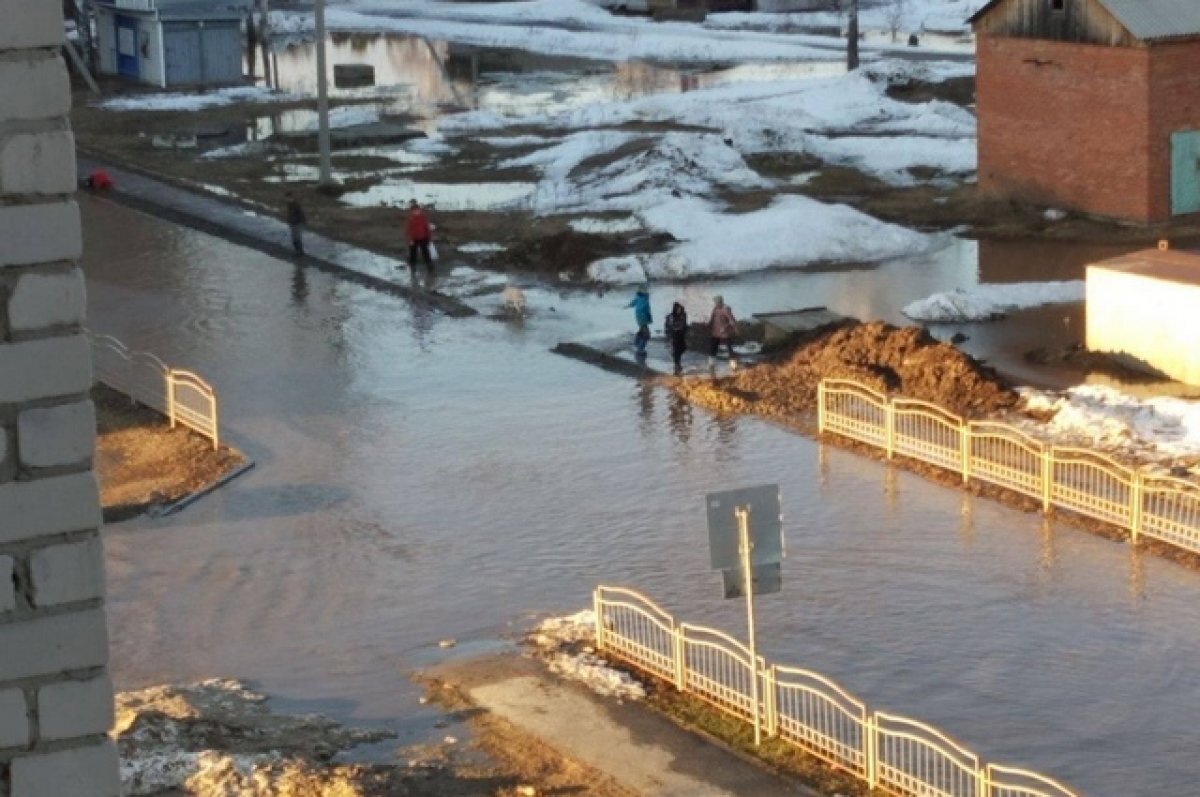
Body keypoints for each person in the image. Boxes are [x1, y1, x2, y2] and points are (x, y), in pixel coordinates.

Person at [405, 199, 435, 277]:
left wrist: (429, 237)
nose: (416, 212)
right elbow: (409, 230)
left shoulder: (423, 218)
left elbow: (427, 228)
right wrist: (410, 239)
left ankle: (429, 266)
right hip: (414, 239)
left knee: (426, 253)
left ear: (419, 210)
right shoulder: (411, 219)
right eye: (414, 211)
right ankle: (413, 266)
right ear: (412, 211)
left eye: (417, 210)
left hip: (423, 238)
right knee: (413, 254)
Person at [708, 295, 737, 369]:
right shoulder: (715, 309)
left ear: (721, 302)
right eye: (715, 302)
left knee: (729, 348)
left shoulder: (726, 309)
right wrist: (708, 325)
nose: (715, 303)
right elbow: (712, 319)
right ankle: (711, 363)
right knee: (713, 347)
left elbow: (731, 320)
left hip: (725, 332)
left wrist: (727, 328)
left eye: (717, 302)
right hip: (716, 331)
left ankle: (733, 364)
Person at [627, 285, 652, 358]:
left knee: (642, 330)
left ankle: (636, 342)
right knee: (646, 334)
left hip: (640, 318)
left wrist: (627, 306)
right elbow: (645, 310)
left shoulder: (639, 297)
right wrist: (647, 318)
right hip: (642, 318)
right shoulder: (644, 299)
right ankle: (640, 349)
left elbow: (633, 303)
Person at [664, 301, 688, 374]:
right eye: (678, 309)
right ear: (675, 309)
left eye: (680, 309)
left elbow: (684, 324)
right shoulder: (671, 317)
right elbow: (668, 326)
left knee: (683, 348)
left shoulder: (683, 315)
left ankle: (677, 362)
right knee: (676, 350)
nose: (679, 310)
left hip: (681, 335)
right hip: (674, 335)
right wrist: (668, 335)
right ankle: (677, 365)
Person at [285, 191, 306, 256]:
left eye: (288, 198)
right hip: (293, 223)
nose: (287, 199)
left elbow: (300, 215)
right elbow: (290, 214)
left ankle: (299, 252)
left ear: (291, 197)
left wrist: (294, 221)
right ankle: (298, 251)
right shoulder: (289, 205)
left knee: (297, 237)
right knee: (294, 238)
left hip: (298, 223)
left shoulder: (296, 205)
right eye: (286, 198)